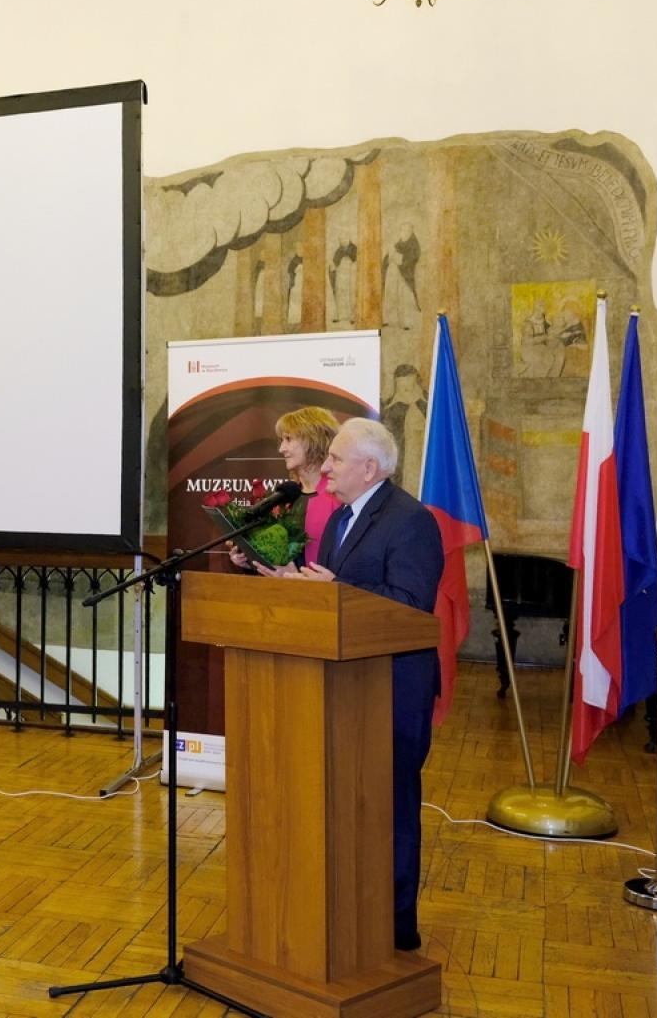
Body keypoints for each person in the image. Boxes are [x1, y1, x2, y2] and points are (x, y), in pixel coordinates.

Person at [251, 417, 444, 951]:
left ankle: (396, 924)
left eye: (335, 459)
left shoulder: (412, 521)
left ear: (369, 467)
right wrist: (295, 583)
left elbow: (410, 605)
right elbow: (334, 598)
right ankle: (348, 911)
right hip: (346, 685)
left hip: (394, 689)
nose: (326, 467)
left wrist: (341, 587)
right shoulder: (340, 520)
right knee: (346, 804)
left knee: (390, 805)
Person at [274, 406, 343, 566]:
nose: (281, 449)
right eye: (282, 440)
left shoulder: (341, 497)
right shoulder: (287, 495)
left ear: (314, 440)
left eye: (289, 439)